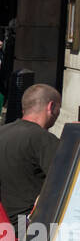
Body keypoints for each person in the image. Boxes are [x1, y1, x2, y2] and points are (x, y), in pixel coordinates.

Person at [0, 84, 61, 225]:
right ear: (51, 107)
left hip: (4, 229)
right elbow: (65, 180)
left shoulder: (3, 132)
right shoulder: (43, 139)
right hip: (30, 230)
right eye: (59, 107)